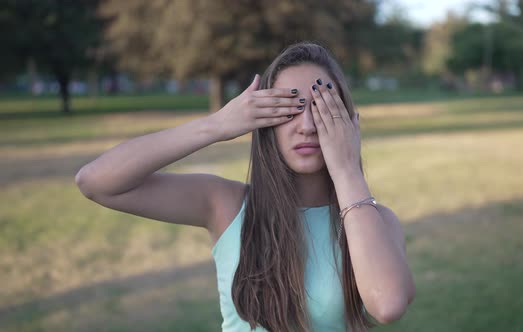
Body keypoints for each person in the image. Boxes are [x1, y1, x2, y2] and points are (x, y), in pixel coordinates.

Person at [75, 42, 415, 332]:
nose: (308, 126)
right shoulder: (226, 205)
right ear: (264, 120)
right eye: (290, 109)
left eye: (323, 109)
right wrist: (217, 125)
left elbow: (387, 305)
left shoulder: (377, 222)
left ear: (348, 122)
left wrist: (347, 169)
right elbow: (96, 182)